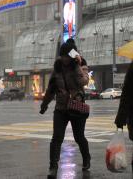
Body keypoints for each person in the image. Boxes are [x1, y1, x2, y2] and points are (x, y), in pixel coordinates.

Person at [39, 40, 90, 178]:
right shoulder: (57, 69)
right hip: (61, 109)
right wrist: (44, 105)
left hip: (76, 108)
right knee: (56, 138)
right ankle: (53, 166)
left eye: (68, 56)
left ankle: (87, 159)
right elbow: (51, 89)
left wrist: (78, 65)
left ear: (72, 56)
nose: (65, 59)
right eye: (63, 56)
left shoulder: (80, 65)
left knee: (79, 137)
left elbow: (83, 82)